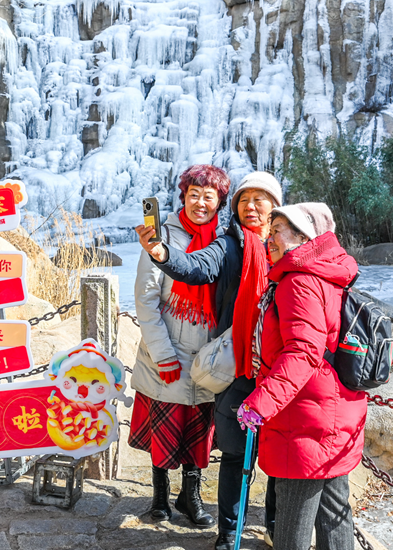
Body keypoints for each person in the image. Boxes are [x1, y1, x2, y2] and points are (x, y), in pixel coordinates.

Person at [136, 171, 283, 550]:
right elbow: (193, 269)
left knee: (211, 437)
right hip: (222, 361)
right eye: (245, 200)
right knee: (223, 447)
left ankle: (270, 523)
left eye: (259, 200)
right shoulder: (229, 245)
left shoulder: (286, 244)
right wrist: (161, 253)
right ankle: (216, 528)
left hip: (268, 365)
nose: (251, 207)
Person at [237, 203, 367, 550]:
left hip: (304, 420)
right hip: (333, 409)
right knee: (334, 512)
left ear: (302, 237)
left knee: (293, 519)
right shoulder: (327, 274)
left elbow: (303, 352)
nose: (269, 236)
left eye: (278, 229)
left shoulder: (299, 281)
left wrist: (259, 404)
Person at [130, 164, 231, 528]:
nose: (200, 203)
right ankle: (158, 498)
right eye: (194, 195)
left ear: (220, 202)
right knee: (165, 425)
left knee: (199, 429)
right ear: (183, 197)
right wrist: (163, 354)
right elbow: (145, 298)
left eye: (209, 196)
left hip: (206, 354)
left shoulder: (224, 241)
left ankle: (190, 497)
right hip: (167, 350)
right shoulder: (161, 236)